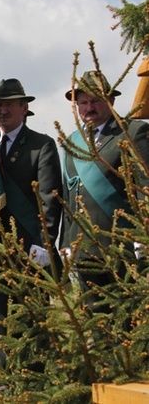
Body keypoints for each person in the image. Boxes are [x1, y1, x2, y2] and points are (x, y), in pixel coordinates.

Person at [0, 79, 62, 362]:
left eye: (8, 105)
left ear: (24, 108)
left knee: (30, 312)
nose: (1, 111)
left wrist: (45, 243)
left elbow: (50, 198)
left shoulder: (41, 145)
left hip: (29, 246)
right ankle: (1, 371)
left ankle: (34, 370)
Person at [61, 71, 149, 312]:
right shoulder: (72, 142)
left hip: (121, 243)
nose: (89, 107)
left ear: (110, 100)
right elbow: (69, 195)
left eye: (95, 100)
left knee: (130, 318)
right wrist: (67, 241)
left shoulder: (132, 131)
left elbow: (144, 185)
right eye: (83, 102)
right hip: (84, 247)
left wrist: (144, 234)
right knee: (96, 321)